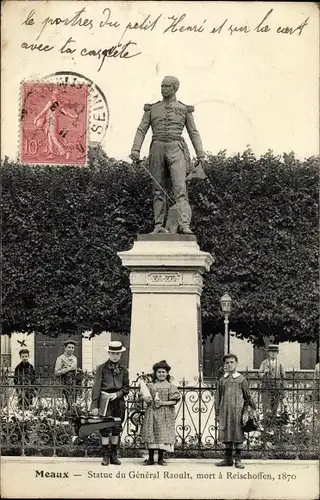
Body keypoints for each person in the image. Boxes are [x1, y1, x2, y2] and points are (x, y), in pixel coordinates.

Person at [130, 76, 205, 235]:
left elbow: (193, 132)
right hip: (156, 148)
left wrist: (201, 155)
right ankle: (158, 225)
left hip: (176, 148)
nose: (163, 89)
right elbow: (141, 129)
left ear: (175, 88)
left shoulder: (184, 109)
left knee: (180, 188)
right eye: (162, 86)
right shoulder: (152, 109)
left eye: (167, 86)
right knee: (158, 189)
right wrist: (136, 149)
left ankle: (184, 224)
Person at [90, 341, 129, 466]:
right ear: (109, 353)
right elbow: (96, 387)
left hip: (118, 402)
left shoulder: (124, 370)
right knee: (106, 428)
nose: (115, 356)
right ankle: (105, 456)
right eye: (112, 353)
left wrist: (117, 394)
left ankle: (113, 455)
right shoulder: (101, 368)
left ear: (121, 354)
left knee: (116, 428)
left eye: (117, 353)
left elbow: (126, 388)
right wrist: (95, 406)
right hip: (105, 401)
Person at [215, 354, 256, 469]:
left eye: (232, 362)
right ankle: (228, 459)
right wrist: (217, 412)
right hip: (225, 411)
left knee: (238, 434)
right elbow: (218, 397)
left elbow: (247, 396)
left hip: (238, 412)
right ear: (224, 365)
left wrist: (253, 408)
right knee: (227, 434)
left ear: (236, 363)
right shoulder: (222, 380)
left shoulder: (241, 379)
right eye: (227, 363)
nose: (229, 364)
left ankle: (238, 460)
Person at [140, 360, 181, 466]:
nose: (161, 374)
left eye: (163, 372)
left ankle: (161, 458)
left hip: (165, 413)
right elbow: (143, 395)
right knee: (151, 434)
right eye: (159, 372)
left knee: (163, 435)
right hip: (152, 412)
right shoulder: (150, 385)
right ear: (155, 373)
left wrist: (163, 403)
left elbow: (174, 400)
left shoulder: (170, 386)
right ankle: (150, 458)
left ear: (167, 373)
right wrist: (145, 398)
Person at [258, 345, 285, 418]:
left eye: (275, 352)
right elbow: (259, 374)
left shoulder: (280, 363)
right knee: (266, 404)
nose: (273, 353)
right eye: (271, 352)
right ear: (268, 353)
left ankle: (274, 420)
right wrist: (264, 373)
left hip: (277, 387)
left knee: (275, 404)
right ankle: (266, 420)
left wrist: (282, 388)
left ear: (277, 353)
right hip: (266, 387)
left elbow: (283, 376)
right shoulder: (264, 362)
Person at [54, 340, 79, 411]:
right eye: (69, 347)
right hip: (65, 381)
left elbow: (74, 369)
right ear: (65, 348)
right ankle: (68, 412)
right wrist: (68, 369)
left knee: (74, 400)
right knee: (68, 400)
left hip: (74, 382)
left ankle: (73, 411)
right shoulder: (60, 358)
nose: (71, 349)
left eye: (72, 347)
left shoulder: (74, 358)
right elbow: (56, 372)